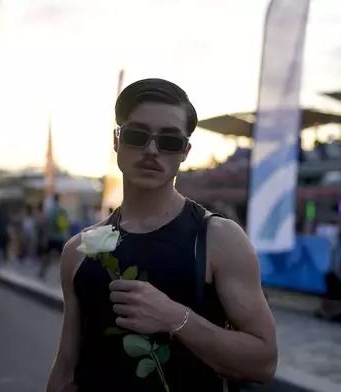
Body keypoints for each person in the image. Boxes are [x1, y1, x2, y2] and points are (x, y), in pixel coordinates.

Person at [46, 79, 277, 392]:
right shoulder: (80, 248)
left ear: (185, 151)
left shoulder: (218, 238)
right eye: (137, 136)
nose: (152, 150)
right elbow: (66, 367)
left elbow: (263, 362)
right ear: (117, 141)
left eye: (169, 141)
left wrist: (177, 318)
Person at [39, 194, 69, 279]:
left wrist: (45, 236)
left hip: (51, 237)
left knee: (46, 255)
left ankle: (42, 272)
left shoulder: (51, 210)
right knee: (62, 258)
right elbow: (66, 224)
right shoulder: (63, 210)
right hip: (60, 237)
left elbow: (47, 223)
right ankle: (64, 275)